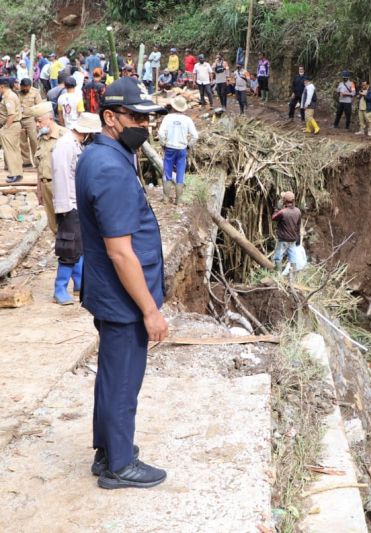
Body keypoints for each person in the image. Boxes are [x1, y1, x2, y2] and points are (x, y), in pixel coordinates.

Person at [75, 77, 169, 489]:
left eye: (146, 118)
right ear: (110, 118)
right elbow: (120, 251)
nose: (143, 126)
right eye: (135, 117)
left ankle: (107, 452)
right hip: (123, 299)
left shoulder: (104, 155)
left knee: (113, 376)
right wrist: (150, 310)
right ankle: (119, 465)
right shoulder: (110, 168)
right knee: (124, 380)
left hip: (113, 294)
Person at [51, 112, 101, 305]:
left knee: (79, 245)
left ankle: (80, 283)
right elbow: (61, 176)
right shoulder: (65, 146)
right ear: (87, 131)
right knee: (68, 245)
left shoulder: (76, 145)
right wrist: (64, 206)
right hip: (69, 203)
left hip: (78, 202)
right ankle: (60, 288)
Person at [158, 96, 198, 204]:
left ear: (173, 107)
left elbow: (161, 134)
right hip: (182, 149)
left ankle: (166, 198)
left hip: (170, 147)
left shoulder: (167, 118)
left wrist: (163, 144)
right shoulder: (187, 120)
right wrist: (189, 145)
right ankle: (178, 200)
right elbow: (195, 136)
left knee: (167, 171)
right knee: (180, 172)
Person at [31, 101, 64, 233]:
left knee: (67, 223)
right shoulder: (41, 138)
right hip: (46, 186)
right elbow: (39, 167)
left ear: (50, 118)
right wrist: (39, 189)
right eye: (35, 122)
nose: (37, 125)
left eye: (39, 121)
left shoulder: (64, 136)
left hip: (60, 187)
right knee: (53, 223)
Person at [0, 78, 24, 183]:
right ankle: (17, 173)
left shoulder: (9, 97)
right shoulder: (10, 95)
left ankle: (14, 173)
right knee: (14, 150)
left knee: (10, 151)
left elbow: (11, 114)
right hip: (14, 125)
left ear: (2, 87)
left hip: (11, 126)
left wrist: (6, 128)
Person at [271, 191, 301, 271]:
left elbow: (273, 218)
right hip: (293, 239)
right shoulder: (298, 211)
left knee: (278, 258)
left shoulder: (282, 212)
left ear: (284, 201)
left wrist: (277, 209)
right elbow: (298, 226)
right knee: (293, 259)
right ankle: (293, 278)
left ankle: (278, 277)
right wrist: (298, 238)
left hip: (283, 240)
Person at [19, 78, 42, 168]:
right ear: (21, 86)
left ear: (30, 86)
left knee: (34, 141)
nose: (25, 89)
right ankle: (26, 162)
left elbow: (39, 106)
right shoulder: (17, 93)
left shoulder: (35, 92)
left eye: (27, 87)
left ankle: (37, 162)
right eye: (23, 87)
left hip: (31, 119)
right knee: (22, 142)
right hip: (20, 119)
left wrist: (38, 120)